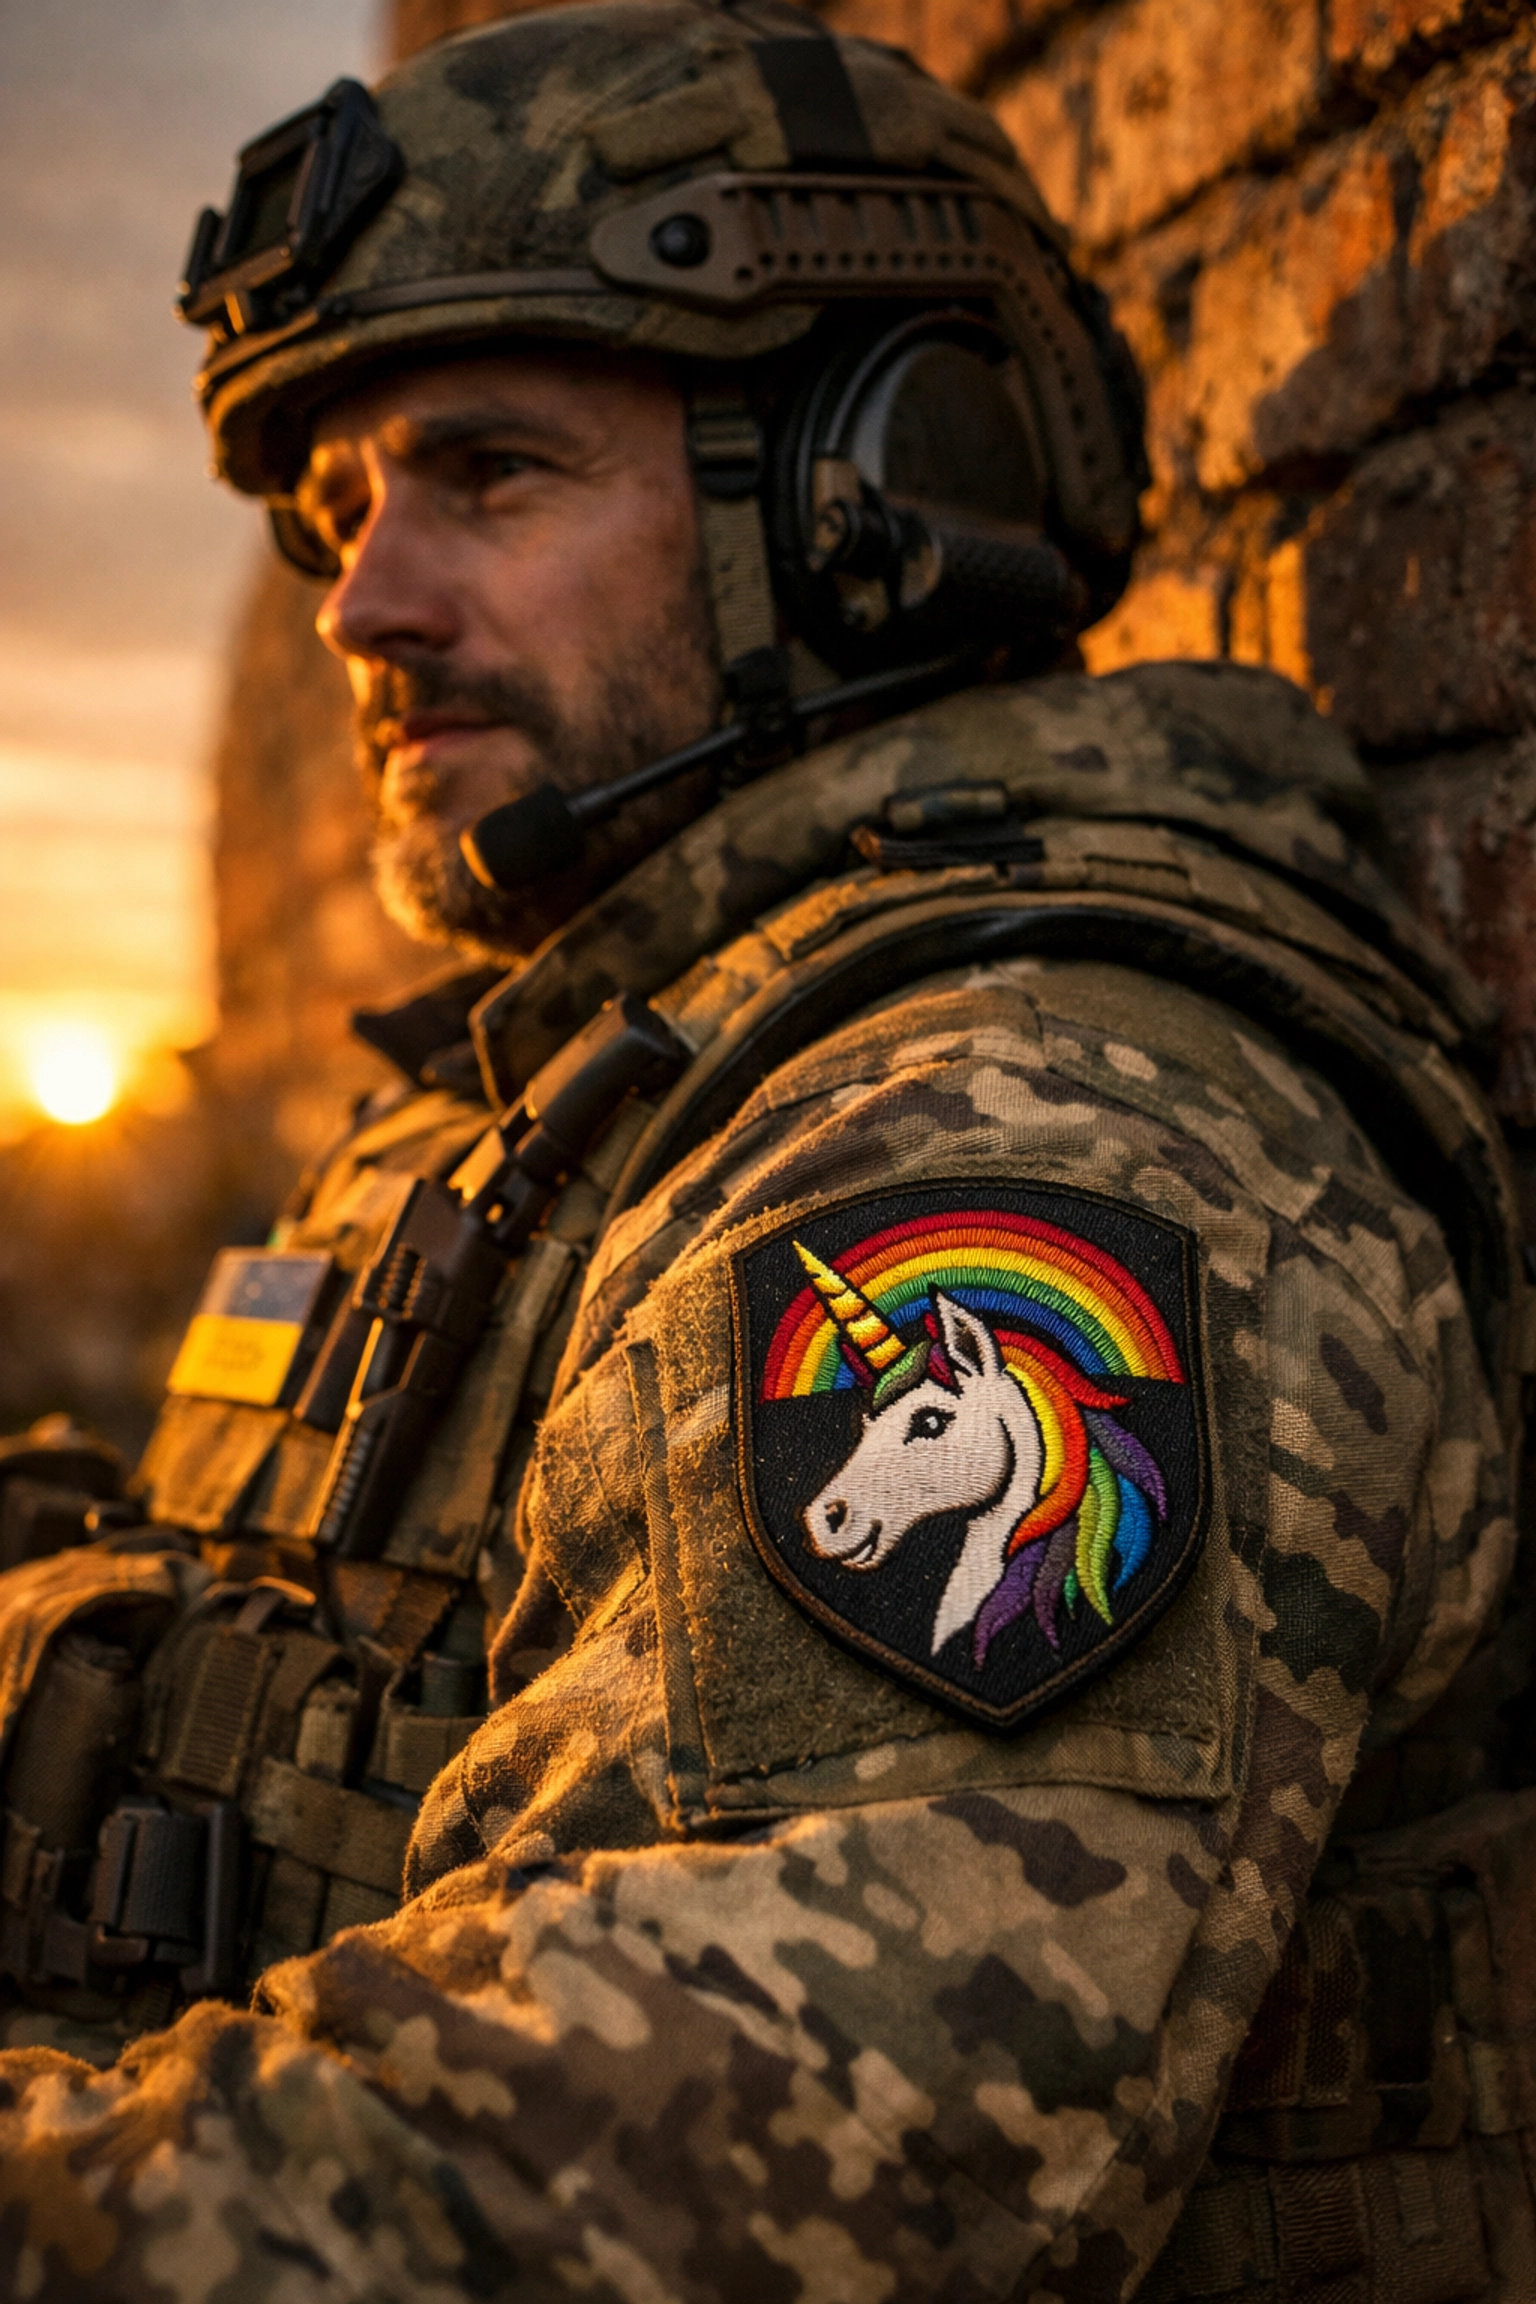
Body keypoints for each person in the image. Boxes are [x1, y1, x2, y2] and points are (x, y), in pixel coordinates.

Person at [0, 4, 1531, 2295]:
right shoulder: (604, 1079)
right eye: (336, 518)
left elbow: (683, 2179)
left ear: (869, 496)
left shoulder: (1025, 1126)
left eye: (490, 473)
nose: (364, 605)